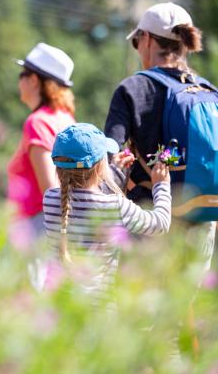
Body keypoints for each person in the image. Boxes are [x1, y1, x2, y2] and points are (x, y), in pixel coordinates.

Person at [104, 2, 218, 272]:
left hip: (148, 223)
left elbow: (108, 158)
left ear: (146, 39)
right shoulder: (211, 92)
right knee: (185, 308)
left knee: (141, 309)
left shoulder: (133, 89)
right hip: (202, 224)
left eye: (136, 41)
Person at [42, 123, 171, 297]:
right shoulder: (116, 206)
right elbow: (160, 224)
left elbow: (86, 197)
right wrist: (161, 185)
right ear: (100, 167)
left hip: (57, 307)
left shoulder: (50, 199)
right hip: (98, 313)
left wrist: (114, 172)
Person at [7, 42, 76, 238]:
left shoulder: (38, 122)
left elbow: (51, 189)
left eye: (22, 74)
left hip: (37, 230)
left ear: (34, 80)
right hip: (57, 228)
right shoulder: (67, 119)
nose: (19, 81)